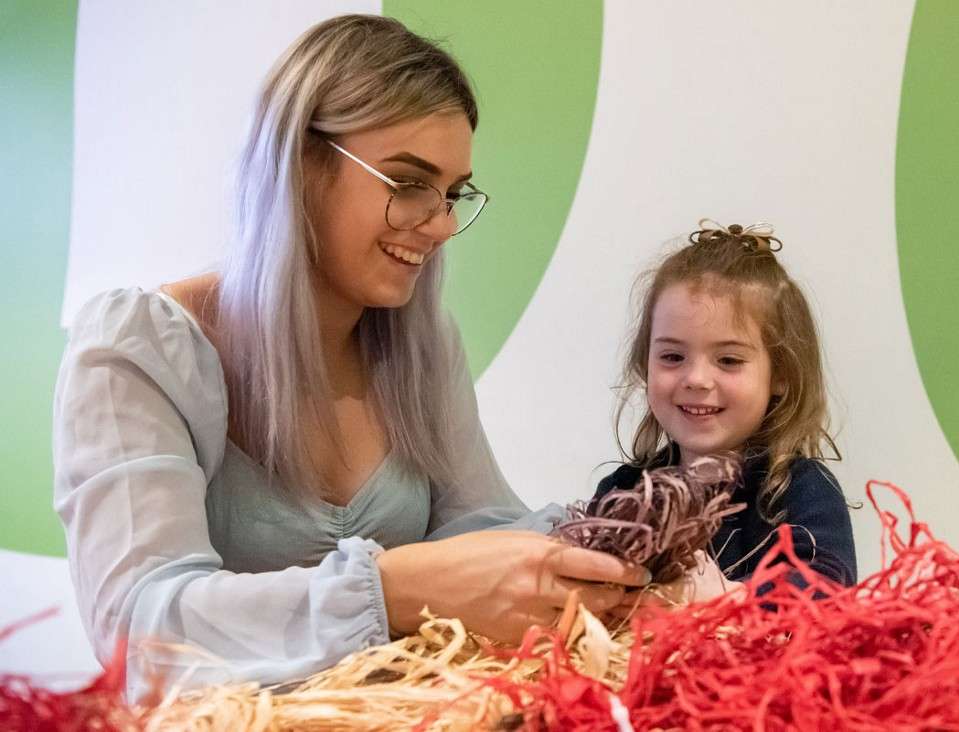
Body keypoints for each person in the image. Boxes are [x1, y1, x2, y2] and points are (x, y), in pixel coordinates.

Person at [51, 15, 647, 698]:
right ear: (301, 163)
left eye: (452, 194)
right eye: (408, 183)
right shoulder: (138, 350)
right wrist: (390, 590)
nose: (443, 224)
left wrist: (611, 546)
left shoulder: (423, 347)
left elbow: (484, 526)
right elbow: (137, 629)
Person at [593, 221, 856, 606]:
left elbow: (827, 587)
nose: (696, 379)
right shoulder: (624, 489)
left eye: (729, 360)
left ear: (780, 374)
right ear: (643, 364)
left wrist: (727, 600)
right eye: (672, 357)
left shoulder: (801, 489)